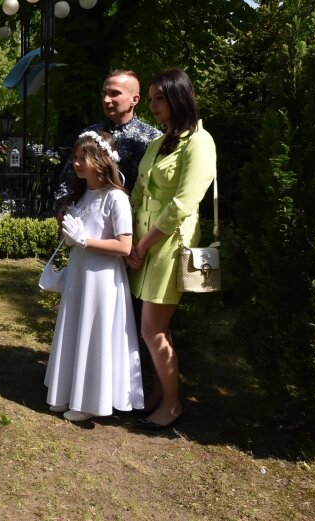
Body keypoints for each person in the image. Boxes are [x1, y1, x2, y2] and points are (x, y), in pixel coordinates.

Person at [127, 68, 217, 430]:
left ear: (179, 96)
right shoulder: (159, 141)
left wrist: (145, 244)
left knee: (153, 329)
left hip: (170, 242)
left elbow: (183, 203)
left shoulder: (199, 141)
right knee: (150, 327)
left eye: (158, 97)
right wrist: (129, 237)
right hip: (144, 240)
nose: (153, 105)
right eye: (150, 98)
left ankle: (173, 404)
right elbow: (137, 191)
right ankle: (156, 395)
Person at [45, 131, 144, 422]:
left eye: (82, 158)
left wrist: (84, 240)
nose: (76, 163)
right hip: (79, 273)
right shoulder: (81, 195)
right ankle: (66, 392)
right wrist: (69, 235)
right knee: (75, 328)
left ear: (101, 160)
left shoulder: (116, 198)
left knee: (95, 334)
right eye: (74, 157)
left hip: (101, 280)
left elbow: (124, 245)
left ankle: (90, 402)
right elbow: (77, 236)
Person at [55, 70, 162, 214]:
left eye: (114, 93)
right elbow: (69, 178)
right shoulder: (90, 134)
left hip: (135, 225)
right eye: (104, 93)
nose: (106, 99)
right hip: (90, 223)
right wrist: (63, 208)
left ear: (134, 100)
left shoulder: (152, 138)